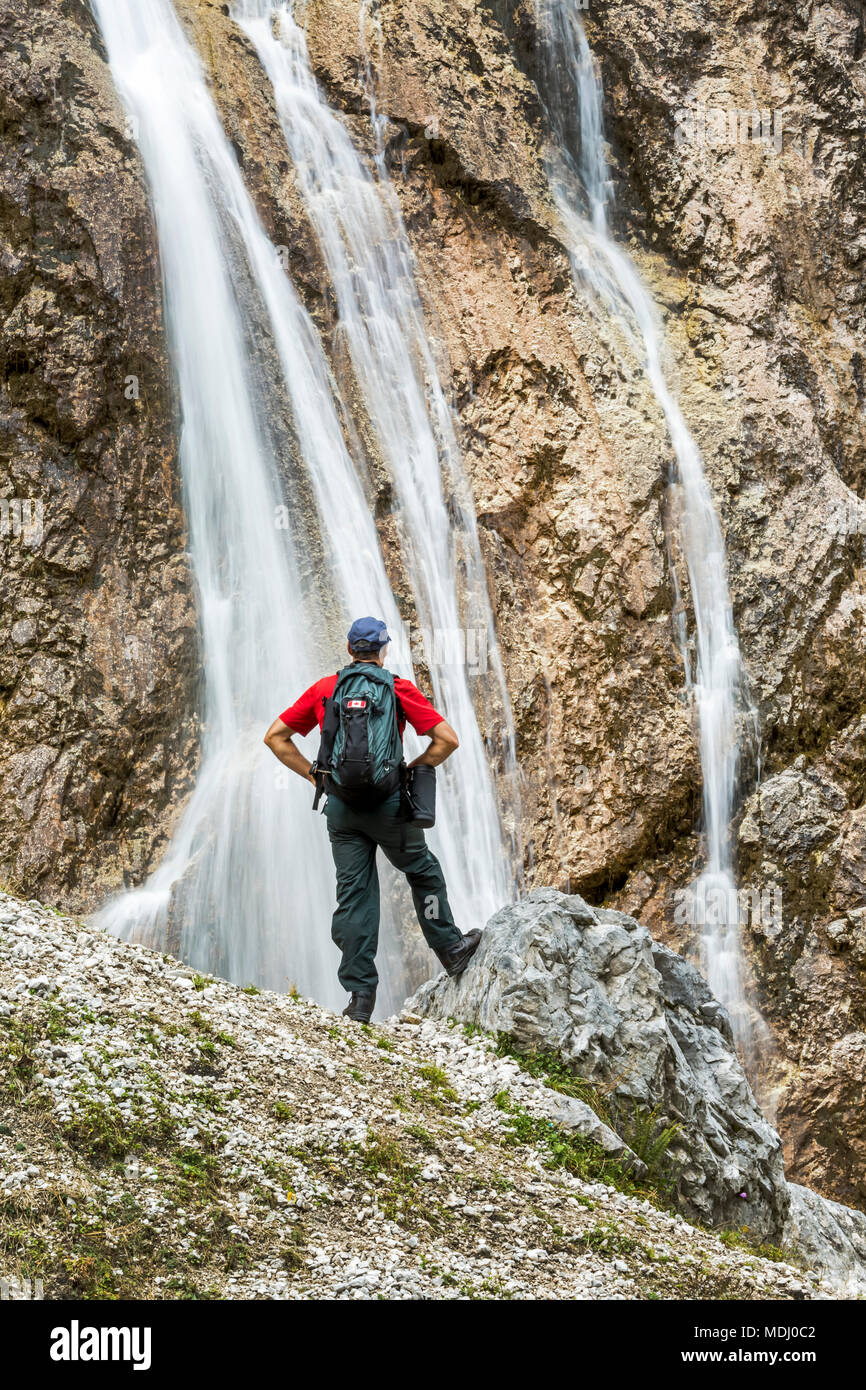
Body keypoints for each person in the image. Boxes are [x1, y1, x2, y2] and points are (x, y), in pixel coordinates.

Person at [264, 617, 481, 1021]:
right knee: (423, 872)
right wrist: (412, 771)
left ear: (349, 650)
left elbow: (275, 737)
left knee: (354, 898)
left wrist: (316, 775)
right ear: (383, 650)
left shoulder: (325, 690)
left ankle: (360, 998)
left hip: (342, 811)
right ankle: (451, 948)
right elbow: (448, 740)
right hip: (389, 807)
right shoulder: (396, 688)